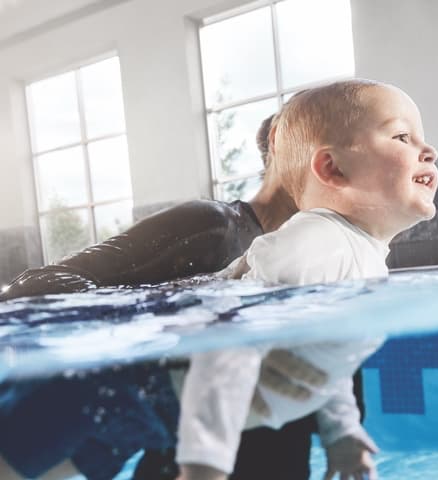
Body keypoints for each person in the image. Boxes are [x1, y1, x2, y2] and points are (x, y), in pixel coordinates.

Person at [0, 115, 333, 480]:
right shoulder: (213, 227)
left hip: (213, 443)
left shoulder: (321, 257)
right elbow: (35, 286)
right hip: (135, 428)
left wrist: (342, 433)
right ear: (279, 142)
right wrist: (179, 305)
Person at [177, 79, 438, 480]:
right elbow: (228, 338)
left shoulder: (357, 254)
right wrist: (204, 466)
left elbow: (323, 353)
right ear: (332, 169)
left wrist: (341, 431)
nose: (430, 151)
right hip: (155, 394)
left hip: (181, 406)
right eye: (403, 136)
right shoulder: (320, 244)